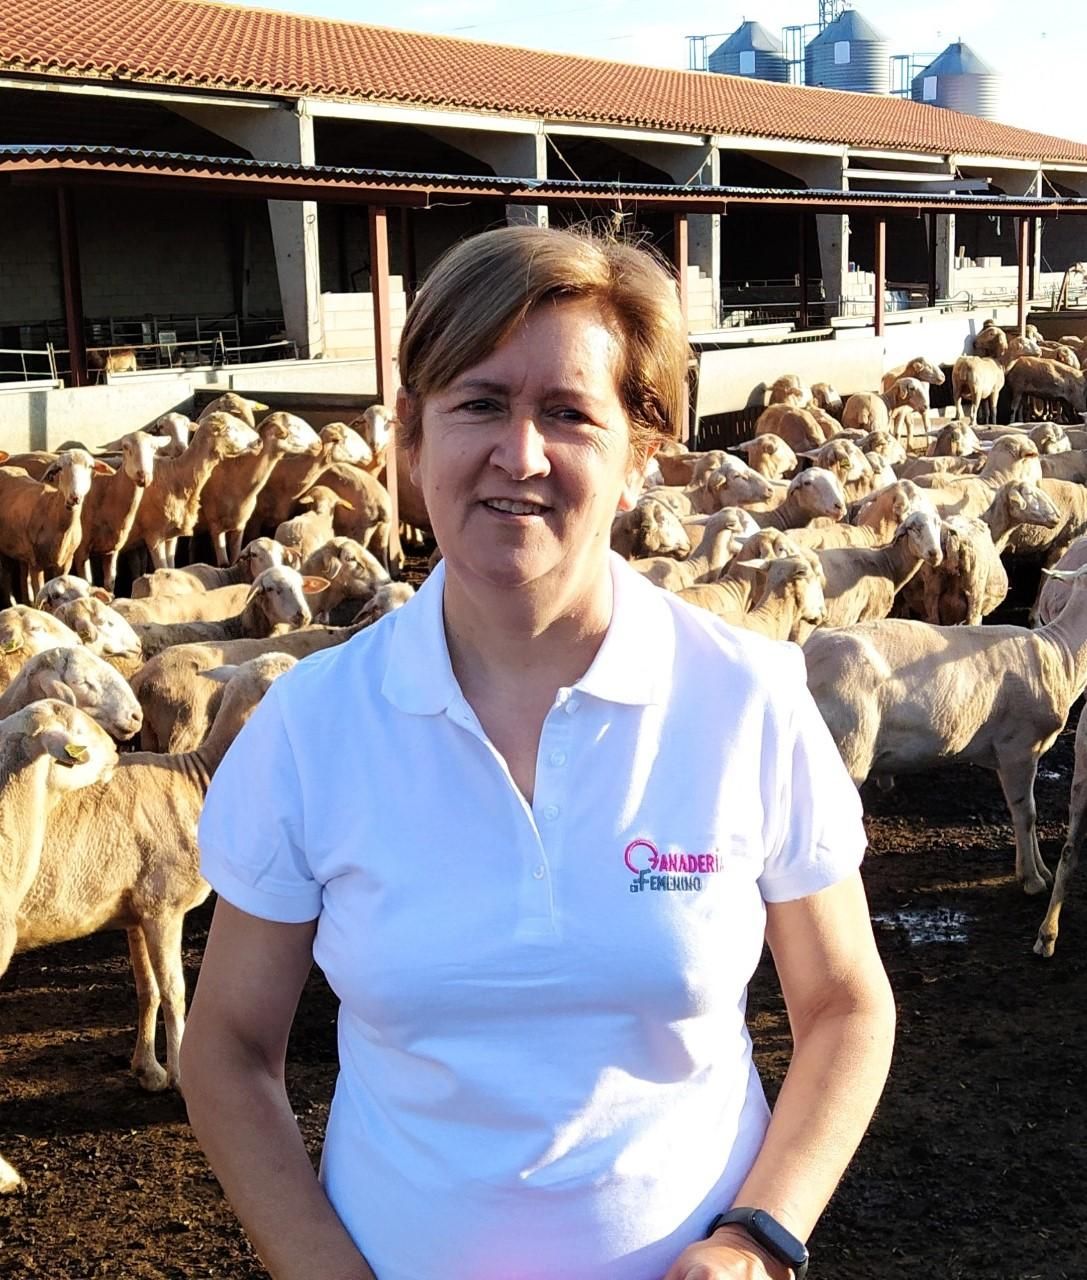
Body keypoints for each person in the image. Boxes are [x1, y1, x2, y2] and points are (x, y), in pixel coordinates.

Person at [183, 224, 896, 1280]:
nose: (518, 454)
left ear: (638, 456)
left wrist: (759, 1236)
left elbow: (843, 1003)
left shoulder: (745, 697)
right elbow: (229, 1046)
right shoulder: (309, 725)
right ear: (408, 440)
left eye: (567, 412)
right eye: (478, 403)